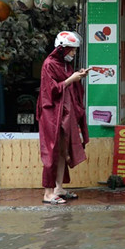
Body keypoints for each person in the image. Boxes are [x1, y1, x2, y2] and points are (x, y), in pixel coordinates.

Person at [36, 30, 90, 205]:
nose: (73, 53)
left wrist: (78, 76)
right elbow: (49, 91)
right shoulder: (49, 64)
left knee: (61, 152)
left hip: (65, 114)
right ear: (61, 49)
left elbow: (70, 86)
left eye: (75, 50)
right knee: (51, 151)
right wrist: (71, 80)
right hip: (52, 114)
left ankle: (58, 188)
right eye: (71, 49)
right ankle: (47, 192)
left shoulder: (66, 66)